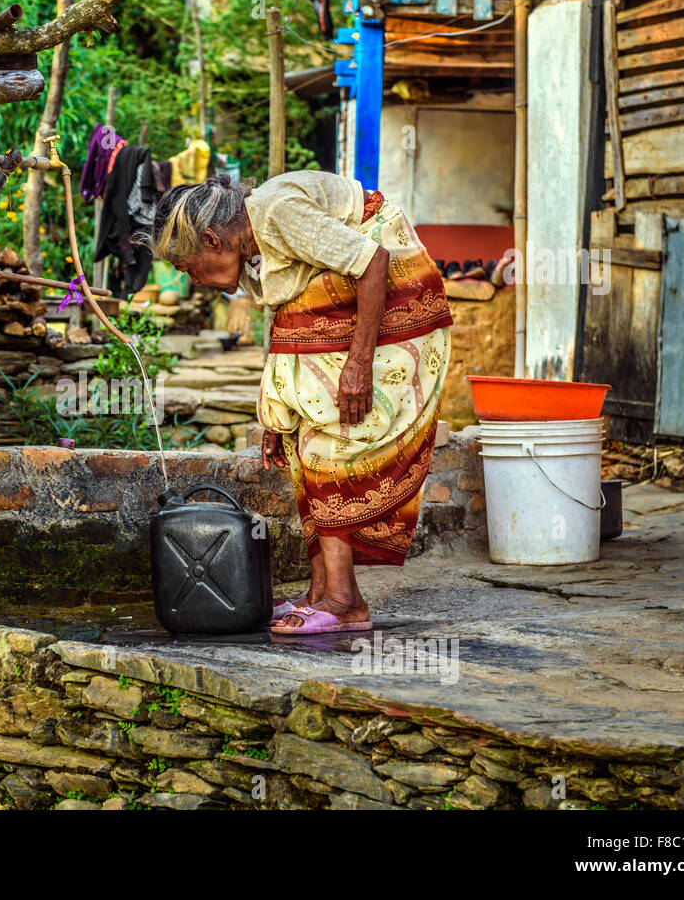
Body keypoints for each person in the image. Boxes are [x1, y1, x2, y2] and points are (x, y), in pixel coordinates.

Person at [139, 171, 453, 635]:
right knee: (301, 445)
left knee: (330, 447)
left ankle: (345, 602)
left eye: (189, 267)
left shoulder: (275, 211)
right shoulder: (254, 249)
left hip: (396, 304)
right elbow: (291, 328)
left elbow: (373, 261)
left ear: (212, 240)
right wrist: (277, 414)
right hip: (352, 307)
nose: (194, 279)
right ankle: (323, 594)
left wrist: (358, 365)